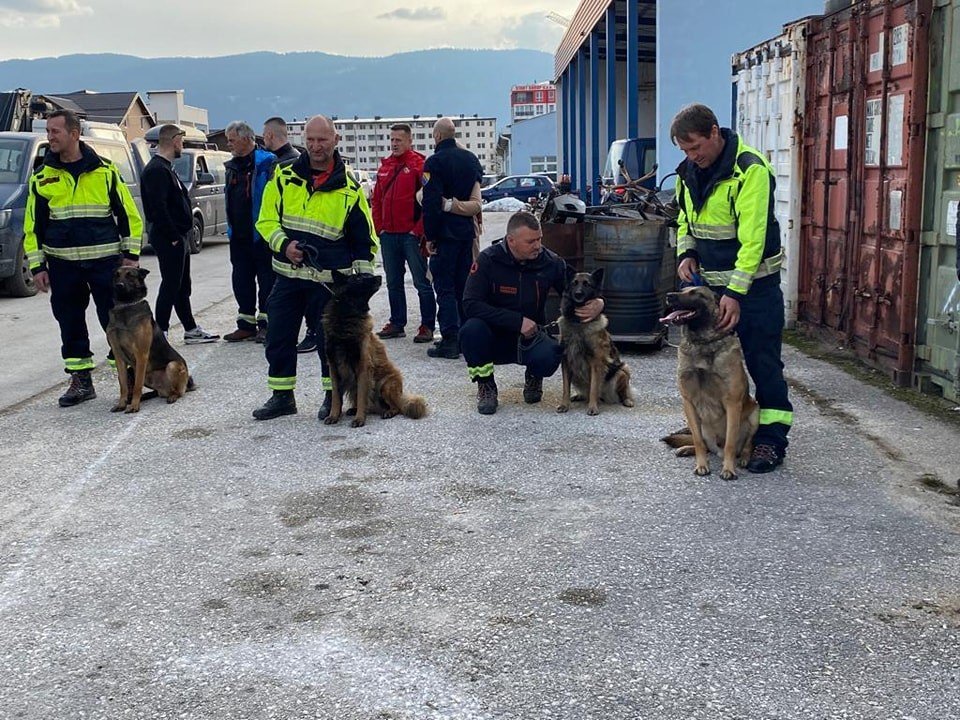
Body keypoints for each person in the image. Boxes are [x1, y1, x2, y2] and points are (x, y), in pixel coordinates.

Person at [671, 102, 793, 473]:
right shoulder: (687, 173)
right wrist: (687, 252)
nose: (692, 156)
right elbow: (684, 219)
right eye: (685, 150)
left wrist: (736, 294)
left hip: (753, 291)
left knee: (763, 363)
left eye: (696, 147)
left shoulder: (750, 170)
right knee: (706, 366)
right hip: (712, 288)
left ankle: (770, 440)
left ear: (714, 132)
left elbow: (753, 240)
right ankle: (714, 426)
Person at [252, 114, 378, 421]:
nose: (316, 146)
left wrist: (361, 285)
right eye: (310, 139)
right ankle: (282, 397)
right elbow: (266, 220)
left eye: (322, 140)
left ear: (335, 140)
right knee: (278, 337)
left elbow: (365, 240)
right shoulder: (283, 176)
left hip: (328, 284)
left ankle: (330, 398)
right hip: (287, 277)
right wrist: (285, 245)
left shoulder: (349, 189)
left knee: (328, 344)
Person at [23, 109, 143, 407]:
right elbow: (33, 227)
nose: (49, 137)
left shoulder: (105, 172)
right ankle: (81, 381)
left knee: (116, 321)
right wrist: (38, 267)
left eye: (55, 131)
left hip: (106, 265)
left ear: (74, 134)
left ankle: (127, 377)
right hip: (63, 266)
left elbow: (129, 216)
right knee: (70, 322)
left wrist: (131, 256)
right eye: (48, 131)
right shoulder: (42, 177)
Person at [460, 211, 603, 415]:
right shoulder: (488, 260)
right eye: (530, 241)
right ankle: (486, 385)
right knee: (470, 331)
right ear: (511, 240)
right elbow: (470, 304)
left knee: (551, 353)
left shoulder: (551, 262)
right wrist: (517, 322)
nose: (538, 246)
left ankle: (534, 376)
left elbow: (577, 290)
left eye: (539, 239)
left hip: (530, 337)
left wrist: (599, 303)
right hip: (493, 336)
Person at [140, 124, 219, 344]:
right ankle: (160, 333)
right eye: (181, 142)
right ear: (174, 141)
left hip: (179, 236)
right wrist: (174, 236)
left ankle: (190, 329)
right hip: (169, 238)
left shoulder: (167, 168)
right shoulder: (156, 170)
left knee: (182, 286)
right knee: (171, 285)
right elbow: (158, 208)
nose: (182, 146)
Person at [421, 117, 483, 359]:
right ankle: (467, 337)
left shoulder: (433, 163)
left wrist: (430, 236)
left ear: (437, 136)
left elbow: (431, 202)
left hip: (444, 235)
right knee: (463, 286)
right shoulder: (471, 160)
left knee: (444, 287)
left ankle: (450, 339)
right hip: (465, 233)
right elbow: (475, 200)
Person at [372, 123, 436, 344]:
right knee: (393, 282)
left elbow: (428, 200)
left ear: (410, 141)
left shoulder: (421, 166)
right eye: (392, 139)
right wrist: (379, 228)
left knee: (421, 282)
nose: (394, 143)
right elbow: (376, 200)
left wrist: (417, 231)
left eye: (398, 140)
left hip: (410, 236)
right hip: (388, 235)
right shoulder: (385, 167)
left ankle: (427, 325)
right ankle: (397, 323)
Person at [223, 120, 277, 343]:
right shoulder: (232, 167)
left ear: (246, 139)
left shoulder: (267, 163)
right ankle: (245, 324)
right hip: (239, 235)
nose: (229, 144)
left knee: (267, 281)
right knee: (241, 280)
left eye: (232, 140)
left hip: (261, 235)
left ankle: (267, 325)